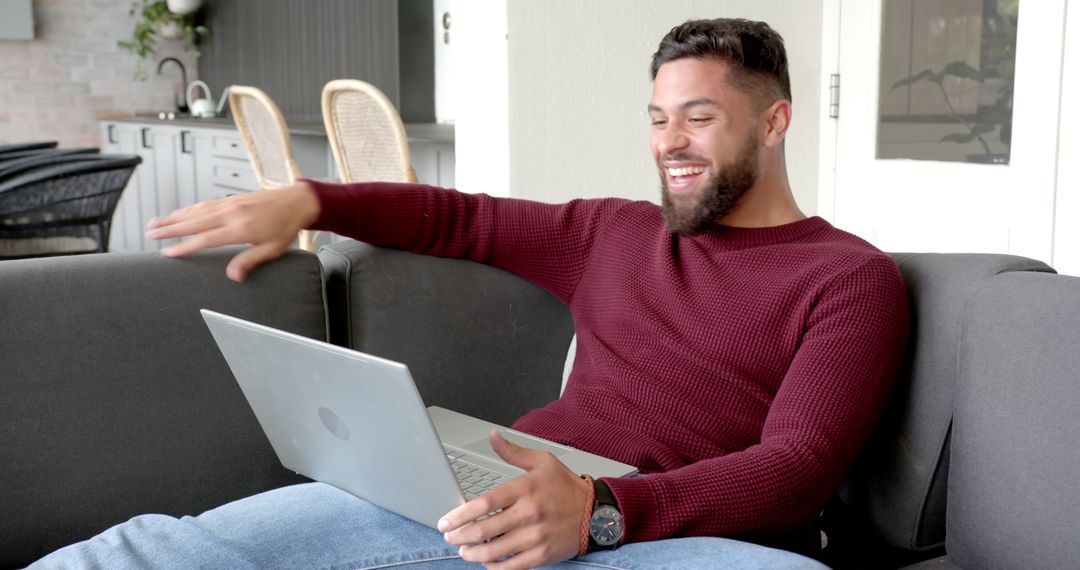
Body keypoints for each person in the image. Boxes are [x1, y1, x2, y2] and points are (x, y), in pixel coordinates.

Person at [31, 18, 908, 569]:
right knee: (162, 551)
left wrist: (602, 512)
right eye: (656, 117)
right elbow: (464, 219)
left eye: (700, 117)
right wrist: (314, 198)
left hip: (669, 530)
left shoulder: (847, 279)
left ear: (775, 120)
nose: (669, 141)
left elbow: (798, 468)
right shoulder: (615, 231)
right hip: (502, 495)